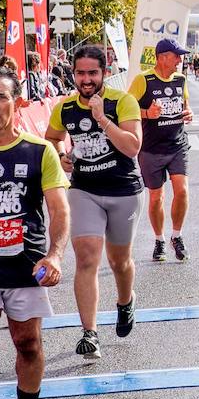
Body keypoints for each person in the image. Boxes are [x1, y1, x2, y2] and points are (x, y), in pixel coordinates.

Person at [0, 65, 70, 399]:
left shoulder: (40, 151)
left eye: (1, 97)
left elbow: (60, 210)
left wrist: (54, 254)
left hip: (25, 268)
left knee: (28, 343)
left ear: (17, 102)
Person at [45, 45, 142, 360]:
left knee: (119, 262)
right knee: (86, 259)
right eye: (80, 73)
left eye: (92, 73)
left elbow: (132, 148)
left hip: (123, 191)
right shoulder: (65, 107)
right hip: (84, 190)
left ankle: (125, 302)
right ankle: (90, 333)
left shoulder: (122, 102)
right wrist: (61, 156)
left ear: (104, 72)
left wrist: (102, 119)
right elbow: (52, 137)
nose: (86, 80)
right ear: (73, 73)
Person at [128, 39, 195, 263]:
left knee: (182, 191)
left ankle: (177, 236)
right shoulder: (143, 80)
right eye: (176, 56)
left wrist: (189, 112)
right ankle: (159, 240)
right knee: (156, 197)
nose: (179, 60)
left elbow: (186, 105)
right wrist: (147, 113)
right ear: (162, 57)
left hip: (177, 144)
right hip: (151, 148)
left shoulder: (180, 79)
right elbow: (126, 107)